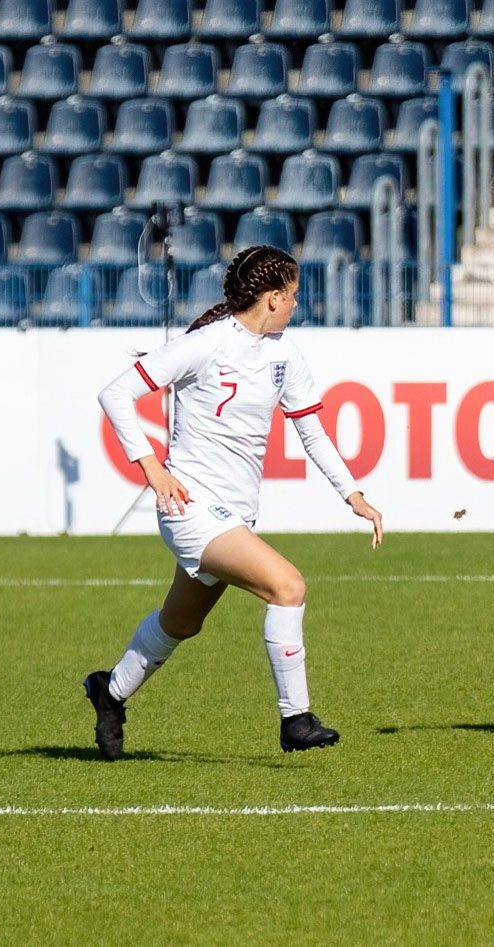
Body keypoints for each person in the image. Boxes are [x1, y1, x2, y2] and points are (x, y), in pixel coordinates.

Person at [85, 245, 384, 760]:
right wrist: (152, 468)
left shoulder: (285, 355)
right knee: (288, 586)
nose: (296, 305)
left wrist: (352, 493)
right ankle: (296, 720)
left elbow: (312, 433)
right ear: (271, 298)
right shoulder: (208, 344)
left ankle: (109, 692)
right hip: (191, 508)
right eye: (292, 295)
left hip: (234, 514)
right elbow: (116, 393)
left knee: (181, 623)